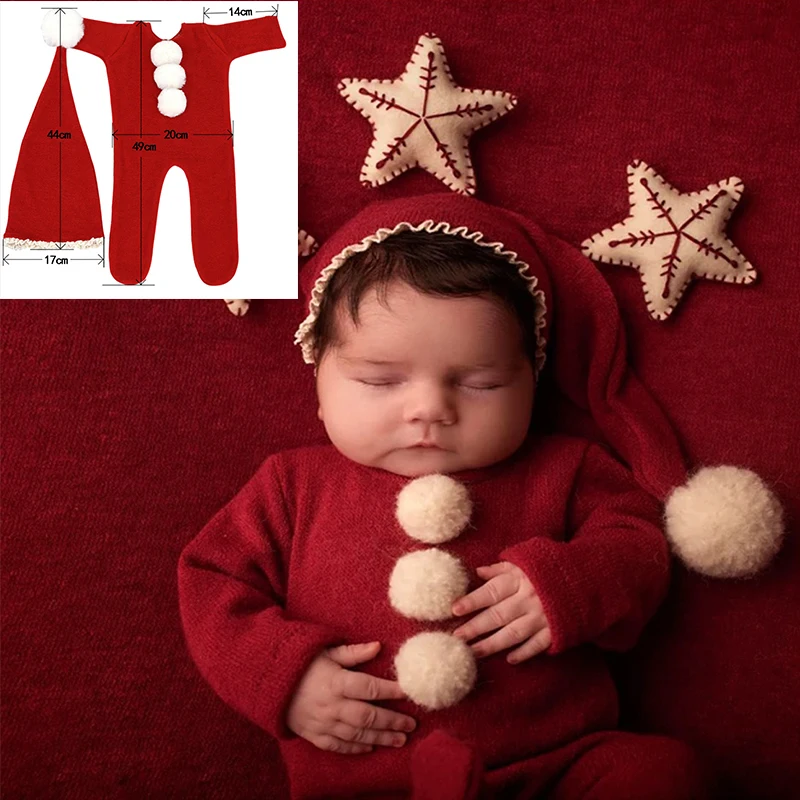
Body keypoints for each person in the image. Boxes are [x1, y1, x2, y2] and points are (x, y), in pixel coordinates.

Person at [178, 193, 713, 799]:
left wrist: (569, 583)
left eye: (480, 382)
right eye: (381, 380)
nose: (430, 409)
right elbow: (211, 579)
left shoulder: (566, 470)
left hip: (556, 763)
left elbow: (639, 545)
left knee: (662, 774)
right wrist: (284, 675)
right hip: (367, 779)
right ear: (320, 384)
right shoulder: (292, 486)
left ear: (531, 385)